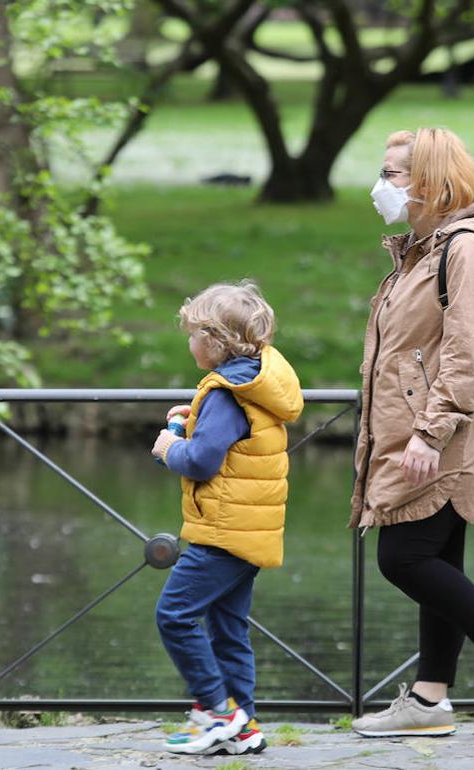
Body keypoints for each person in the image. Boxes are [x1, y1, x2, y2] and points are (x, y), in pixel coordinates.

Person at [350, 128, 474, 737]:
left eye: (391, 175)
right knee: (436, 559)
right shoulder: (425, 245)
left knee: (404, 557)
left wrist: (429, 434)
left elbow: (472, 350)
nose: (379, 187)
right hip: (426, 428)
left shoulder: (464, 248)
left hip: (446, 435)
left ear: (432, 184)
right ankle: (430, 700)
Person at [151, 281, 304, 755]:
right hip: (248, 532)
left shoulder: (224, 393)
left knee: (173, 616)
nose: (189, 341)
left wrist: (170, 446)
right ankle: (244, 727)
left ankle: (217, 710)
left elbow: (202, 462)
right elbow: (231, 441)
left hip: (221, 531)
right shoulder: (255, 381)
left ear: (214, 342)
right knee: (228, 629)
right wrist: (194, 423)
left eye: (193, 333)